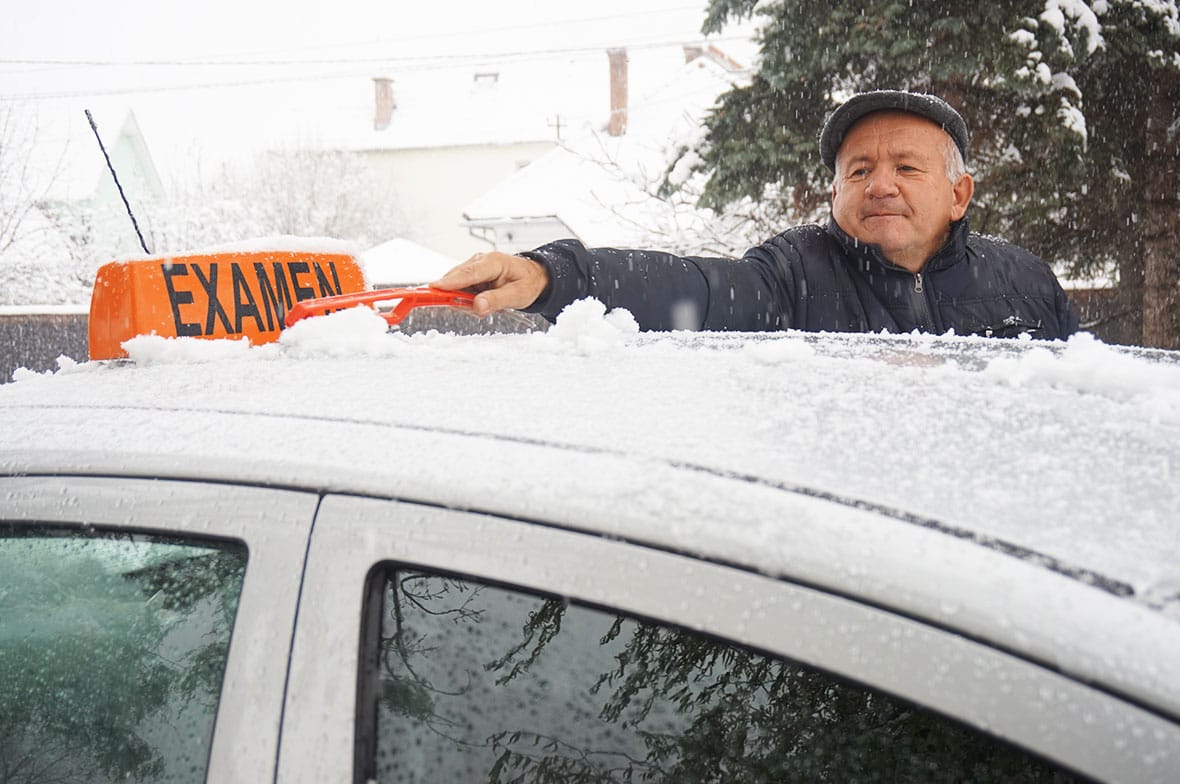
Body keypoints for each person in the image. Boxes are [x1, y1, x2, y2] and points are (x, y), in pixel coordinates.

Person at [433, 90, 1078, 340]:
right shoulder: (794, 274)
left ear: (959, 194)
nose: (881, 185)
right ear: (834, 197)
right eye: (859, 170)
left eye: (906, 168)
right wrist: (558, 277)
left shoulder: (1025, 282)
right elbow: (696, 289)